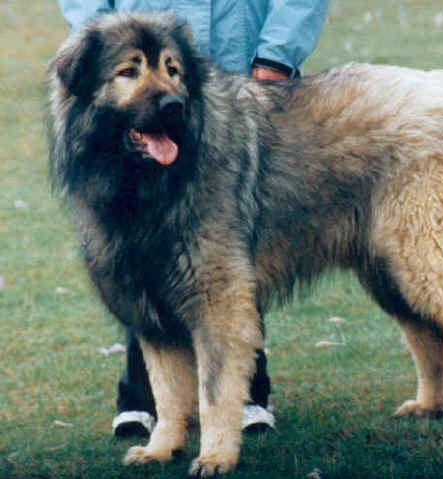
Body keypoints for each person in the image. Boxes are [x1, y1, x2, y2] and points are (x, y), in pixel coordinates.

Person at [58, 0, 330, 437]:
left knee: (224, 248)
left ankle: (245, 395)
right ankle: (144, 399)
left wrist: (278, 52)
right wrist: (96, 41)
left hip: (235, 64)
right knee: (132, 240)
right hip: (131, 43)